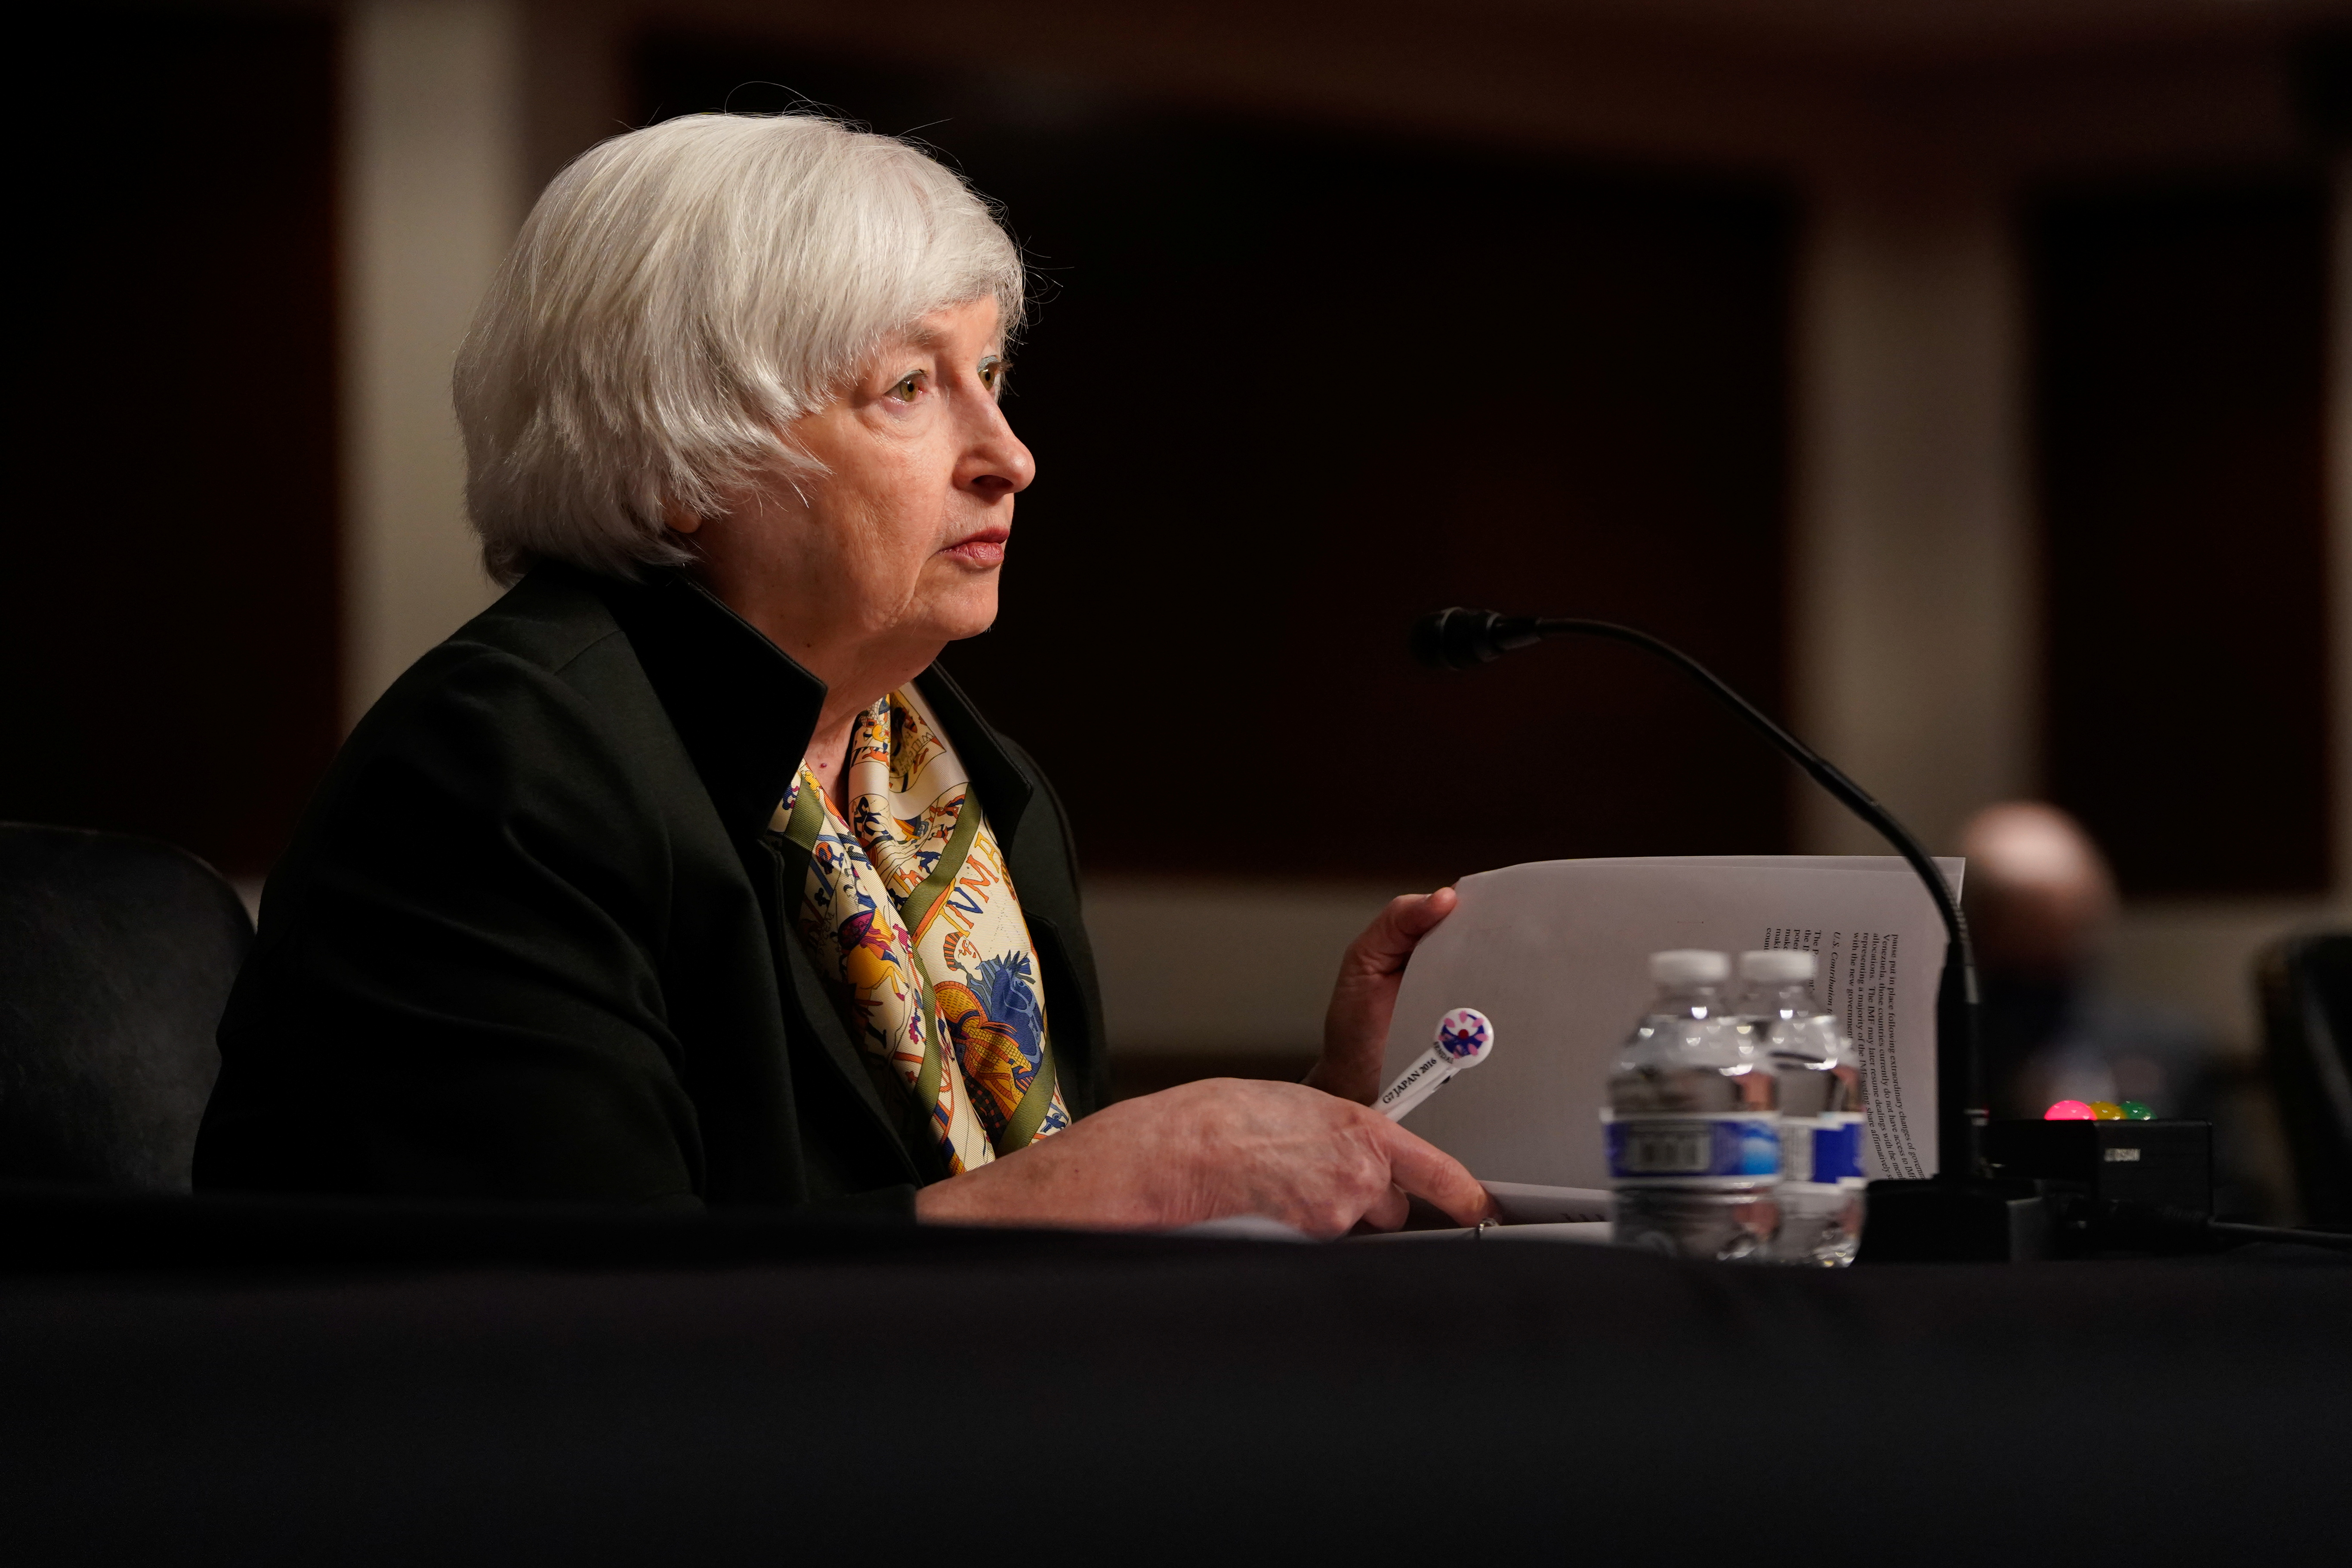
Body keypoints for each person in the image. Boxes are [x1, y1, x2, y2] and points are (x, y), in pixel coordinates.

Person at [194, 112, 1495, 1238]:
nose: (1010, 454)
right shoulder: (500, 764)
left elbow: (1071, 1237)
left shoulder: (957, 779)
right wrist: (1089, 1189)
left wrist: (1326, 1117)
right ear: (677, 459)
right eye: (910, 387)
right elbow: (554, 1316)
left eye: (990, 377)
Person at [1961, 801, 2215, 1119]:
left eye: (2071, 927)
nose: (2052, 954)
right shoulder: (1948, 1057)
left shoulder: (2169, 1046)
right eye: (2028, 931)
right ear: (1978, 929)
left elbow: (2221, 1165)